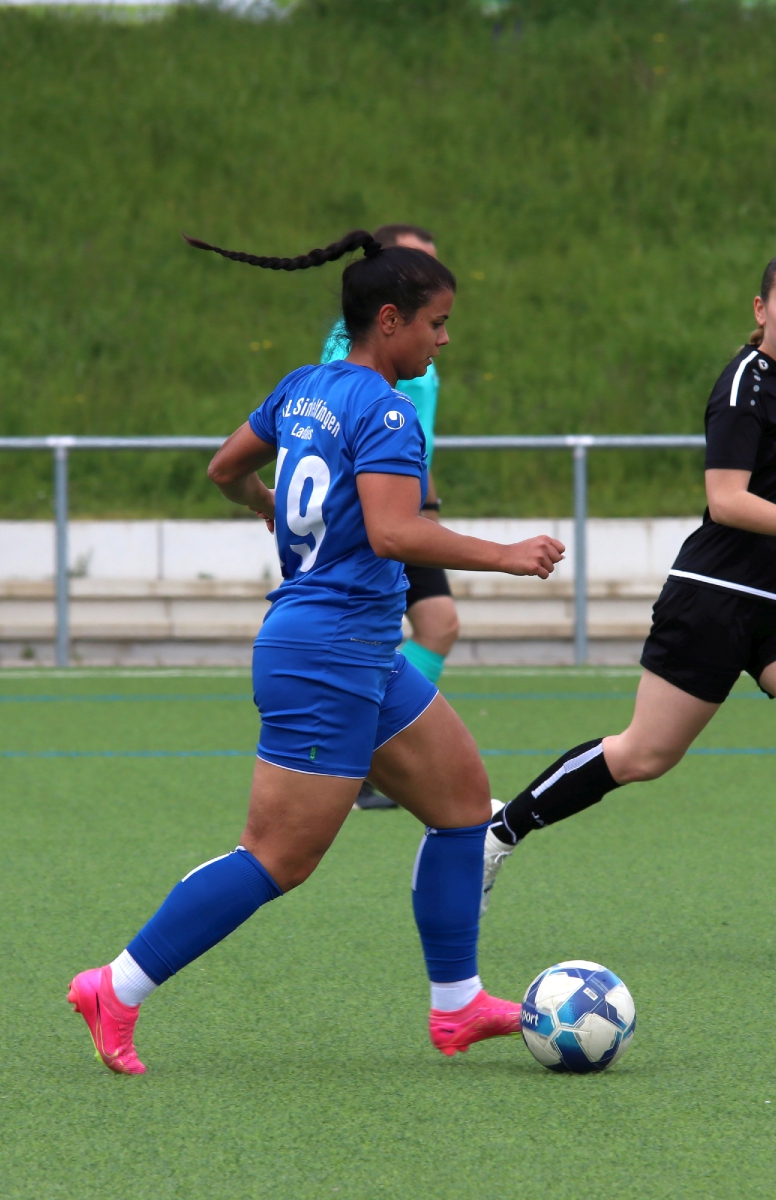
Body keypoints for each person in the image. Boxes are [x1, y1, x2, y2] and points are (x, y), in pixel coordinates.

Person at [67, 229, 567, 1074]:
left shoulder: (304, 387)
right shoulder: (389, 412)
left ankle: (457, 1006)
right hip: (327, 652)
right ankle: (114, 986)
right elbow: (394, 532)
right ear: (390, 320)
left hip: (356, 649)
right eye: (437, 323)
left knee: (462, 807)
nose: (445, 339)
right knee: (277, 858)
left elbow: (224, 468)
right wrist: (508, 555)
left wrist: (266, 503)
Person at [477, 250, 776, 962]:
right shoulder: (743, 385)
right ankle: (498, 833)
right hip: (714, 599)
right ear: (761, 309)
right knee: (644, 754)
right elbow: (726, 499)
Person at [321, 224, 456, 810]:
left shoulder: (411, 347)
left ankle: (369, 757)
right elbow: (354, 427)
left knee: (435, 625)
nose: (442, 335)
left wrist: (430, 500)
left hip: (403, 502)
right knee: (405, 629)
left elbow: (413, 438)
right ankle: (366, 756)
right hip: (377, 513)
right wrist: (507, 556)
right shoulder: (359, 358)